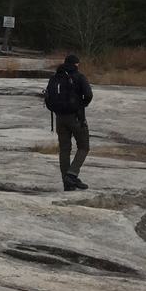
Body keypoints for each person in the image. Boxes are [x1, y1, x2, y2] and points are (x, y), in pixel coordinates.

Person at [44, 53, 94, 191]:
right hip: (76, 117)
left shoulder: (55, 77)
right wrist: (81, 105)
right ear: (76, 64)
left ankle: (67, 183)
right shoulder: (79, 77)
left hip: (59, 118)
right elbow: (89, 95)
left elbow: (48, 97)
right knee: (84, 146)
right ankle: (72, 175)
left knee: (64, 149)